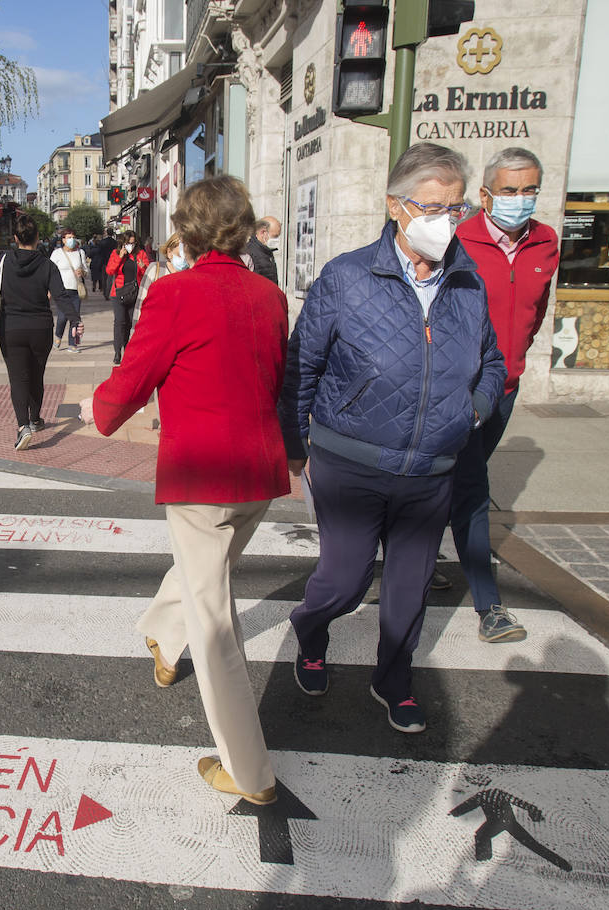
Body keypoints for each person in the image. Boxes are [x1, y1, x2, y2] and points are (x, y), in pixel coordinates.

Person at [278, 142, 506, 734]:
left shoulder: (467, 283)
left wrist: (470, 412)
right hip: (349, 463)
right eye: (432, 207)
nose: (446, 221)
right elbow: (302, 364)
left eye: (455, 209)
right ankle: (310, 629)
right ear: (395, 206)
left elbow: (493, 364)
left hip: (432, 468)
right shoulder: (347, 276)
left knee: (409, 588)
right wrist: (294, 448)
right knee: (344, 580)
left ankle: (394, 679)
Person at [81, 176, 289, 806]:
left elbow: (134, 376)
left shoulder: (174, 293)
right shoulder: (271, 296)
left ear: (188, 233)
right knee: (207, 570)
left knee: (215, 620)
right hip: (257, 472)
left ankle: (249, 772)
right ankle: (163, 639)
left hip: (202, 475)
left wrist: (104, 410)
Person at [445, 147, 559, 643]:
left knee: (451, 482)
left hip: (506, 387)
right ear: (486, 195)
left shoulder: (548, 243)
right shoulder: (457, 239)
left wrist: (513, 365)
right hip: (459, 389)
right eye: (509, 191)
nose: (520, 199)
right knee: (472, 488)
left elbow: (534, 315)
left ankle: (415, 554)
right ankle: (489, 604)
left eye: (528, 189)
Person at [0, 210, 66, 451]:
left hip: (11, 328)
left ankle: (23, 426)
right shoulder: (47, 265)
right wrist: (76, 320)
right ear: (37, 238)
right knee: (37, 374)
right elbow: (61, 296)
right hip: (40, 328)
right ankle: (35, 419)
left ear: (15, 237)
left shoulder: (3, 262)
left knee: (18, 379)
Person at [105, 230, 150, 365]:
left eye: (133, 243)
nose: (131, 245)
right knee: (120, 322)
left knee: (130, 323)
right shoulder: (116, 253)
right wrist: (120, 257)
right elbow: (110, 271)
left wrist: (143, 267)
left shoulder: (140, 254)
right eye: (128, 243)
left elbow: (148, 271)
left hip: (134, 293)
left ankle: (127, 348)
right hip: (118, 293)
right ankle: (117, 351)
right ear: (123, 243)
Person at [133, 232, 187, 329]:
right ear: (169, 252)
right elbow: (140, 305)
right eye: (180, 254)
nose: (184, 259)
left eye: (187, 256)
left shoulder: (191, 275)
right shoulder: (155, 269)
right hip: (156, 331)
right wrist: (135, 335)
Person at [49, 228, 87, 353]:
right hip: (61, 291)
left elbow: (86, 271)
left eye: (73, 237)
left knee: (75, 317)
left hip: (76, 290)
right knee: (62, 317)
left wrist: (82, 272)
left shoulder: (80, 252)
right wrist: (48, 289)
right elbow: (49, 271)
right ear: (63, 240)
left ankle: (73, 343)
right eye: (68, 237)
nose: (71, 240)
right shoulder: (57, 253)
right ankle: (58, 335)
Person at [245, 217, 281, 284]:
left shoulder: (267, 252)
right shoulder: (248, 253)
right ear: (263, 233)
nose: (277, 240)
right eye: (275, 236)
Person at [91, 230, 117, 298]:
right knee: (110, 279)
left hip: (104, 262)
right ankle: (108, 292)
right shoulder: (115, 242)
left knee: (104, 278)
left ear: (107, 233)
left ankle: (105, 292)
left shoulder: (102, 242)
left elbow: (99, 253)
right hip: (112, 262)